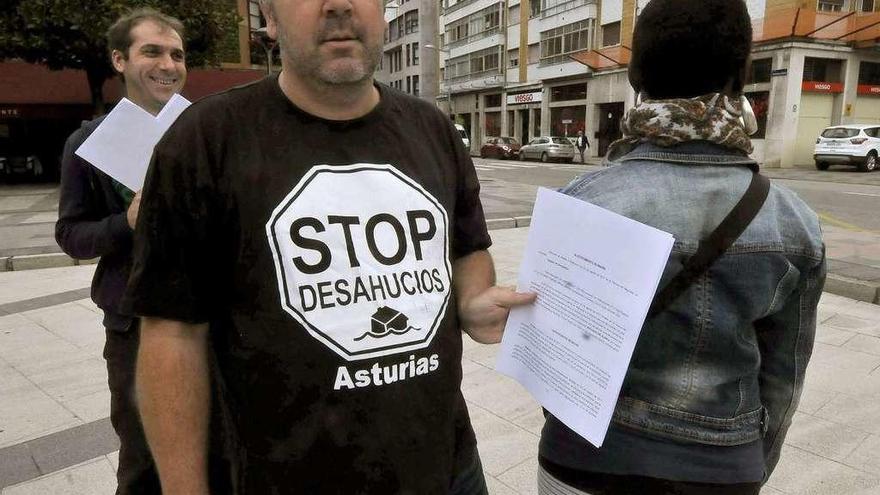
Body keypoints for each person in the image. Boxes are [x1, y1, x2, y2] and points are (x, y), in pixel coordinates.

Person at [121, 0, 535, 492]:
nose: (338, 5)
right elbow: (171, 333)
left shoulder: (433, 130)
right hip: (287, 475)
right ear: (269, 19)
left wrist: (471, 300)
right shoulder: (205, 140)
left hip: (448, 466)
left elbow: (467, 249)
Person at [538, 1, 826, 494]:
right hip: (722, 466)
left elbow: (556, 355)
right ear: (740, 77)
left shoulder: (579, 202)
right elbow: (783, 378)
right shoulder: (793, 221)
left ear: (635, 77)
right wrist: (752, 465)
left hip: (585, 458)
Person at [55, 8, 187, 494]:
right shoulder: (89, 143)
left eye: (177, 54)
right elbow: (70, 234)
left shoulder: (207, 130)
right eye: (152, 51)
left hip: (214, 318)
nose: (168, 64)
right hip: (135, 327)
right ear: (119, 59)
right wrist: (125, 222)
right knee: (144, 459)